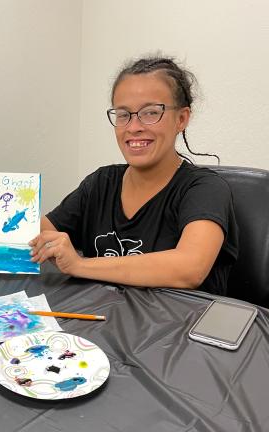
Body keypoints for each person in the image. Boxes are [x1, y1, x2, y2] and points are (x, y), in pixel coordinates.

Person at [29, 55, 238, 295]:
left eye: (150, 113)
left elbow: (190, 268)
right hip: (102, 323)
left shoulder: (205, 189)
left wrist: (79, 264)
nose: (133, 127)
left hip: (178, 327)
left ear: (181, 119)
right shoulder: (101, 184)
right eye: (123, 114)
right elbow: (36, 235)